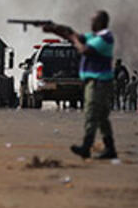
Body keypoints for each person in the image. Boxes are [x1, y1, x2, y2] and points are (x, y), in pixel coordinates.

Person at [44, 11, 117, 160]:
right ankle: (110, 148)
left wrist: (72, 39)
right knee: (102, 117)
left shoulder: (105, 38)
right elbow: (74, 34)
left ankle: (86, 146)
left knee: (91, 113)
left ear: (100, 22)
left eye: (93, 20)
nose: (91, 23)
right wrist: (56, 28)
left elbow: (85, 49)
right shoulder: (95, 37)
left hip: (98, 82)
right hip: (96, 82)